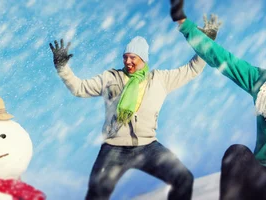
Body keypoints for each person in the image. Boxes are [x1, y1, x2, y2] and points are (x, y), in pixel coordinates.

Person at [48, 18, 219, 200]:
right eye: (125, 57)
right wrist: (62, 67)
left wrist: (206, 43)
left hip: (147, 147)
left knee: (184, 178)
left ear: (143, 59)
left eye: (133, 57)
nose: (128, 61)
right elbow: (79, 88)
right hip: (114, 149)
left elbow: (192, 69)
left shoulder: (159, 79)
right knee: (96, 193)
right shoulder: (111, 78)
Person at [169, 0, 266, 199]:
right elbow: (221, 57)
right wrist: (183, 22)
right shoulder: (263, 81)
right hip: (263, 175)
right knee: (237, 154)